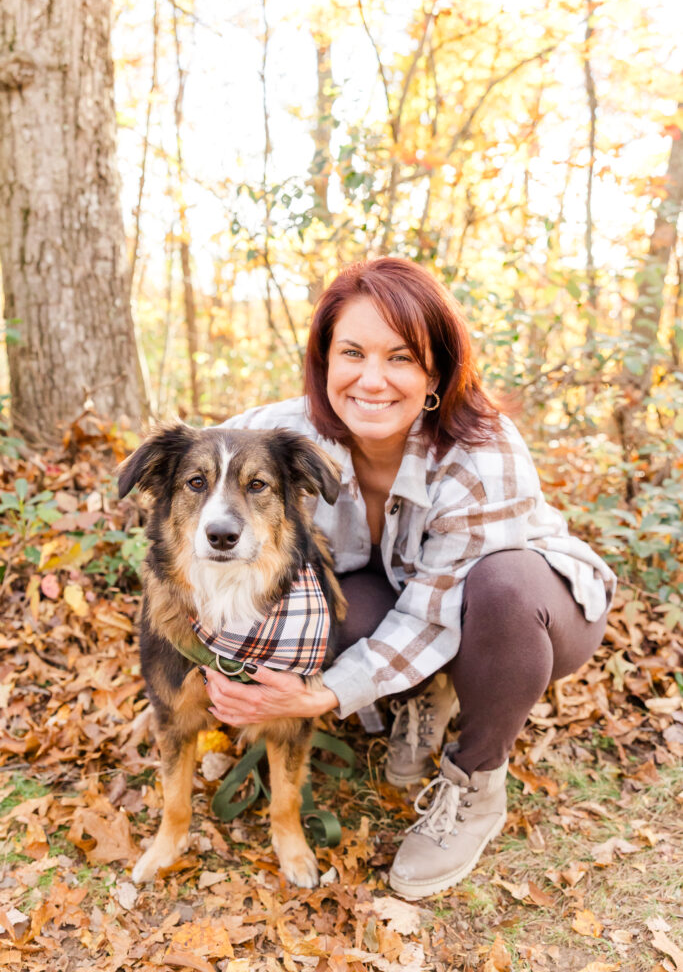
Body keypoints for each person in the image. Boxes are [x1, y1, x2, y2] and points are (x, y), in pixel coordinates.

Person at [204, 257, 615, 899]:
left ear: (434, 373)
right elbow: (192, 513)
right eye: (352, 353)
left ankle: (476, 780)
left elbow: (432, 615)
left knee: (502, 588)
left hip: (529, 607)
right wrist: (220, 662)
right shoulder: (274, 436)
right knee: (332, 607)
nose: (372, 380)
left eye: (401, 357)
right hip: (402, 593)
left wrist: (321, 696)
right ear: (324, 362)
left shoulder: (483, 450)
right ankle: (420, 695)